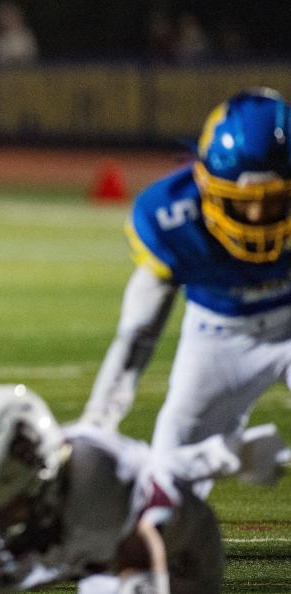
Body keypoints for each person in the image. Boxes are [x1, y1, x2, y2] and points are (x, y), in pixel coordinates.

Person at [80, 89, 291, 469]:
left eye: (275, 201)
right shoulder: (171, 218)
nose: (258, 217)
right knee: (168, 481)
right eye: (242, 202)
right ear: (204, 182)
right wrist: (99, 420)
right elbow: (138, 333)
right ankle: (228, 456)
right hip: (219, 334)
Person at [0, 384, 290, 594]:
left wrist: (232, 456)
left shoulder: (104, 483)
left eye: (5, 509)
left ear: (47, 477)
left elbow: (143, 555)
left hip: (173, 545)